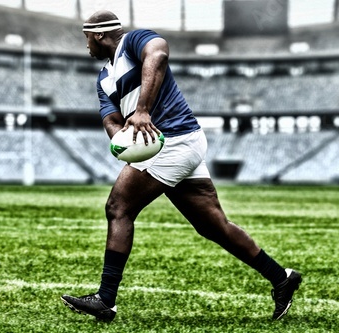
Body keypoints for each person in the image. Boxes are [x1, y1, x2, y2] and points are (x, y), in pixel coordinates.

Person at [60, 11, 302, 322]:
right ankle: (281, 277)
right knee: (213, 226)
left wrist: (143, 109)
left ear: (97, 35)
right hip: (173, 144)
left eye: (86, 39)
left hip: (173, 138)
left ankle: (105, 299)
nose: (86, 47)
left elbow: (158, 53)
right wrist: (121, 140)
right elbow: (110, 119)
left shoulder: (133, 41)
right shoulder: (103, 79)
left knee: (118, 207)